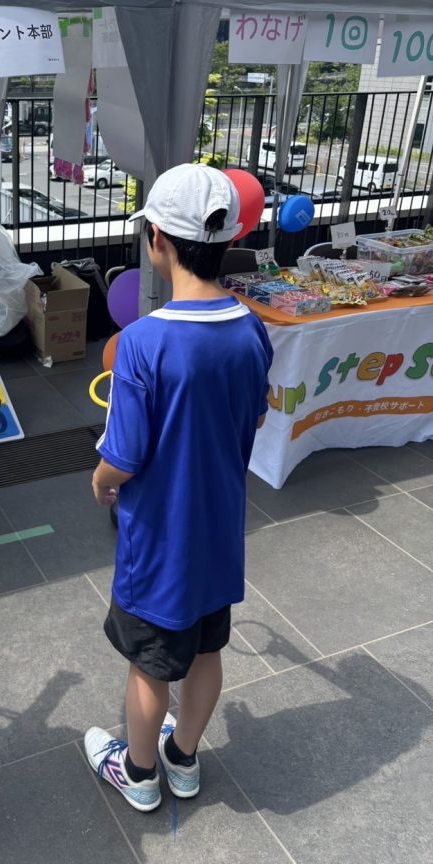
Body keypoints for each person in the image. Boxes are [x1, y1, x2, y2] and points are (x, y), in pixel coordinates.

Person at [84, 163, 273, 811]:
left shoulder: (143, 342)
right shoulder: (250, 328)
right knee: (207, 648)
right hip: (220, 531)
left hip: (159, 542)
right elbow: (255, 416)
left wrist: (101, 481)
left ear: (157, 239)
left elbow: (124, 456)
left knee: (149, 663)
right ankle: (183, 760)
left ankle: (138, 774)